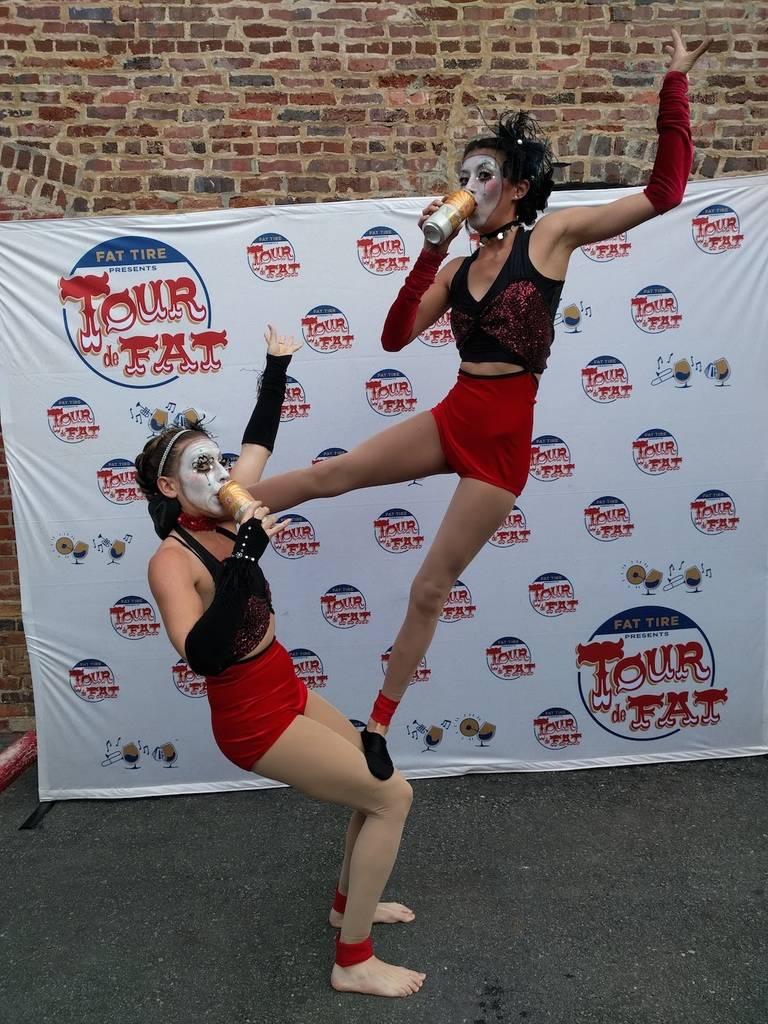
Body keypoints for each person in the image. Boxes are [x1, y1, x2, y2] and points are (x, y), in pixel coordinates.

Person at [243, 30, 711, 781]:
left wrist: (674, 88)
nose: (471, 186)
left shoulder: (550, 239)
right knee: (333, 474)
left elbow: (665, 193)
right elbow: (395, 337)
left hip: (502, 444)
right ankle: (220, 510)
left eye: (484, 175)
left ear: (517, 186)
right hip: (456, 411)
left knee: (429, 587)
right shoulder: (456, 268)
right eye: (463, 177)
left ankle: (379, 723)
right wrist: (431, 249)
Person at [135, 326, 425, 998]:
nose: (222, 476)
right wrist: (244, 558)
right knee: (393, 799)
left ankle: (347, 908)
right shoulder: (171, 561)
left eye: (219, 463)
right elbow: (202, 656)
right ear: (169, 485)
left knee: (375, 782)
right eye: (202, 468)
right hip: (250, 719)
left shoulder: (226, 507)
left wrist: (277, 364)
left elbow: (259, 438)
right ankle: (353, 961)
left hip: (285, 686)